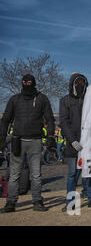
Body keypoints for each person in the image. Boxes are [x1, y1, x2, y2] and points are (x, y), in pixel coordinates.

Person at [0, 74, 56, 213]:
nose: (27, 84)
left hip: (36, 141)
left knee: (36, 175)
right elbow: (5, 119)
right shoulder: (15, 99)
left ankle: (37, 201)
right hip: (17, 141)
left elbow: (50, 119)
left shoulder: (42, 99)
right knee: (14, 174)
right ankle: (11, 203)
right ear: (22, 83)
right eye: (24, 82)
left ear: (34, 83)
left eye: (29, 82)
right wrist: (2, 138)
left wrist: (50, 136)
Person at [60, 73, 91, 211]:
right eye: (77, 83)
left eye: (82, 83)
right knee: (73, 174)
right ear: (72, 84)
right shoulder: (65, 101)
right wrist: (72, 140)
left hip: (89, 143)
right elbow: (64, 121)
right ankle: (71, 202)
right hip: (73, 144)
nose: (80, 86)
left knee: (90, 173)